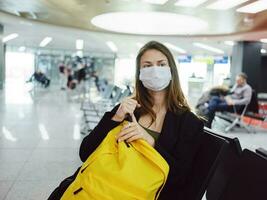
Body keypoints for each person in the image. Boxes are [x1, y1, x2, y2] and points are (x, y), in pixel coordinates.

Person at [78, 41, 203, 199]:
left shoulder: (189, 122)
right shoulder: (128, 109)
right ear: (139, 73)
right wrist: (116, 117)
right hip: (106, 188)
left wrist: (149, 141)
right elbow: (86, 152)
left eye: (161, 64)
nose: (155, 70)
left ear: (171, 71)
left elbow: (180, 178)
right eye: (147, 65)